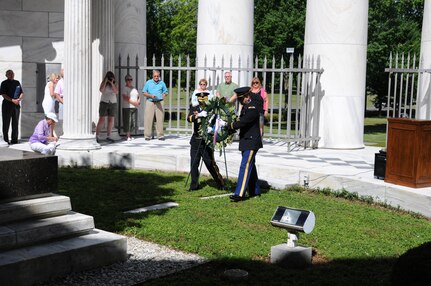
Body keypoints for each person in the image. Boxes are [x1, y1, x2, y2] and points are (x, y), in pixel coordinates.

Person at [227, 87, 263, 202]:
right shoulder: (247, 106)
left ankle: (240, 193)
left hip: (252, 141)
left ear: (247, 97)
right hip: (246, 140)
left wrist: (230, 125)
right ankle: (254, 190)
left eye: (241, 99)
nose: (241, 102)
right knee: (250, 165)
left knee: (245, 165)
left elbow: (244, 122)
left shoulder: (253, 107)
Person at [187, 91, 225, 191]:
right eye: (200, 99)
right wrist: (198, 115)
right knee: (194, 164)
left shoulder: (211, 109)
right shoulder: (195, 108)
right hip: (196, 139)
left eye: (204, 99)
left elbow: (216, 121)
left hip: (206, 141)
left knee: (210, 164)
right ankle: (194, 185)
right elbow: (189, 118)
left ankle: (220, 182)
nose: (202, 102)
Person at [142, 70, 168, 141]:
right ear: (152, 76)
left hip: (159, 102)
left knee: (160, 119)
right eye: (155, 76)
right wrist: (151, 96)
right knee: (148, 119)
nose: (156, 77)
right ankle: (147, 136)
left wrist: (163, 95)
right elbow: (144, 92)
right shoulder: (148, 82)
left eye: (157, 76)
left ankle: (160, 135)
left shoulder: (162, 83)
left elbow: (165, 92)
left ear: (159, 76)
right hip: (150, 101)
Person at [0, 69, 24, 144]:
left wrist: (19, 98)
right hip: (7, 105)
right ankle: (6, 140)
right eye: (9, 74)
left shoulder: (17, 82)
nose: (11, 75)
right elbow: (3, 94)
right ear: (6, 75)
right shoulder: (4, 83)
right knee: (6, 122)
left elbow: (22, 93)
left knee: (15, 122)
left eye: (12, 73)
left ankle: (14, 139)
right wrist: (12, 100)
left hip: (16, 105)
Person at [122, 74, 140, 141]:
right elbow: (125, 97)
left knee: (132, 121)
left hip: (134, 107)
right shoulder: (125, 88)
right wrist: (134, 103)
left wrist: (138, 101)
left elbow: (138, 96)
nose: (129, 81)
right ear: (125, 81)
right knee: (127, 121)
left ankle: (130, 135)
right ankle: (128, 136)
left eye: (131, 79)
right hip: (127, 107)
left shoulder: (134, 88)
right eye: (128, 79)